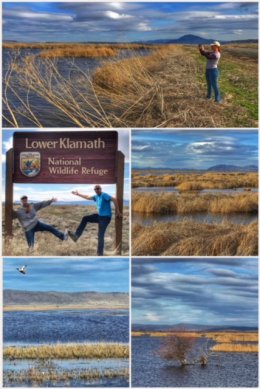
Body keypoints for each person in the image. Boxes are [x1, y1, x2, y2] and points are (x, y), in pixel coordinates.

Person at [68, 185, 122, 255]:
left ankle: (100, 253)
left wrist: (118, 211)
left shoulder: (104, 195)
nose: (96, 190)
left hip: (105, 218)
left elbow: (114, 199)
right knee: (85, 218)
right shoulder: (96, 196)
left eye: (98, 189)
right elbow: (87, 197)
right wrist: (78, 194)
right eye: (95, 189)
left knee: (100, 235)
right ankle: (76, 236)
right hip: (99, 216)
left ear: (100, 189)